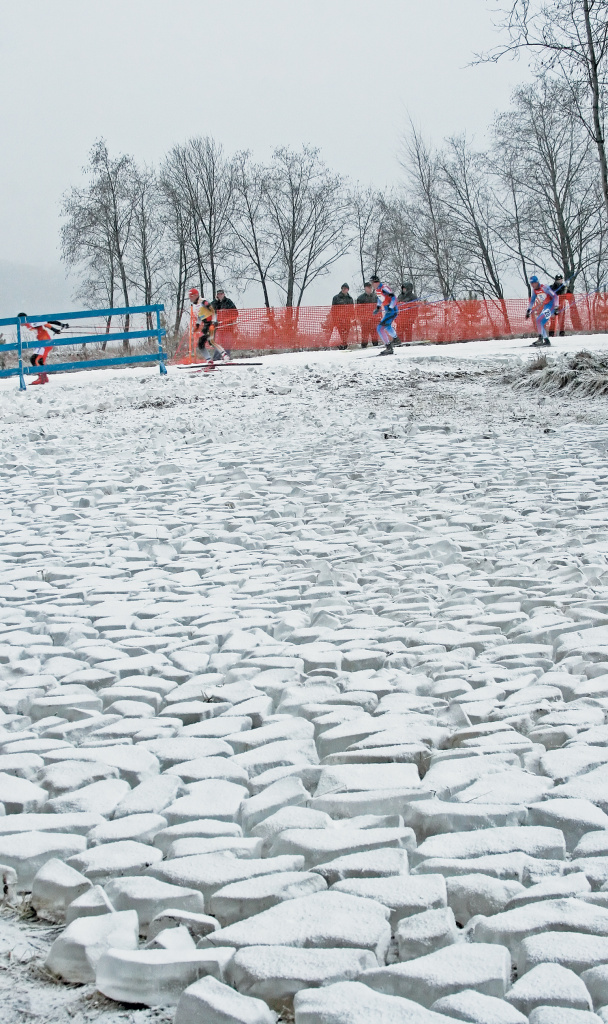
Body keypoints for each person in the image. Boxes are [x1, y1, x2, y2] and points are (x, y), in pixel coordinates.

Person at [18, 315, 69, 385]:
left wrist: (55, 329)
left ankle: (41, 378)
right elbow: (45, 323)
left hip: (45, 343)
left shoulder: (32, 322)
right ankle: (44, 378)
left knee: (35, 359)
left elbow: (46, 323)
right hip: (42, 343)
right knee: (40, 360)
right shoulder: (29, 324)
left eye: (19, 320)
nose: (19, 323)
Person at [188, 288, 229, 362]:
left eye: (191, 296)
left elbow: (213, 310)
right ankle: (209, 360)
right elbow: (200, 315)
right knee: (201, 344)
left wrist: (214, 321)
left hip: (210, 323)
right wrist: (197, 325)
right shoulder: (196, 305)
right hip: (205, 325)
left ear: (196, 295)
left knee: (211, 340)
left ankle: (225, 356)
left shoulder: (203, 301)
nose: (190, 298)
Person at [525, 276, 558, 347]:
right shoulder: (535, 291)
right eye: (531, 283)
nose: (533, 285)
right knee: (540, 322)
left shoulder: (544, 287)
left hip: (551, 306)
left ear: (537, 282)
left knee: (539, 320)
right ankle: (546, 341)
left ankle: (540, 339)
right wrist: (528, 310)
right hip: (546, 306)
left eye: (534, 283)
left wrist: (556, 307)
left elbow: (555, 296)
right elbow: (532, 301)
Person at [370, 275, 399, 354]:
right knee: (387, 326)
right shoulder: (377, 290)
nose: (372, 285)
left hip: (391, 311)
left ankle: (389, 348)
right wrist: (378, 308)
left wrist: (391, 307)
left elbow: (394, 298)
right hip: (388, 311)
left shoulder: (384, 288)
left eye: (372, 283)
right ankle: (396, 339)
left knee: (380, 328)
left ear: (376, 282)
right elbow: (380, 299)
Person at [212, 289, 238, 356]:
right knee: (217, 343)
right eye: (218, 294)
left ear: (224, 294)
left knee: (227, 343)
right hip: (218, 327)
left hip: (228, 327)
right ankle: (216, 358)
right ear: (217, 295)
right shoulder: (214, 303)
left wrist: (229, 317)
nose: (220, 295)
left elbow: (235, 312)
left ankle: (227, 356)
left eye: (221, 294)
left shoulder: (228, 302)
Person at [328, 283, 355, 349]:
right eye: (342, 288)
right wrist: (334, 319)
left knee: (346, 333)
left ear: (347, 289)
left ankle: (344, 345)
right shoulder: (336, 298)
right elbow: (333, 309)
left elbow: (352, 309)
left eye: (345, 288)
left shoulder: (350, 299)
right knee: (341, 332)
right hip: (339, 319)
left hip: (347, 319)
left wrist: (352, 317)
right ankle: (341, 345)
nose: (343, 289)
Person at [356, 282, 378, 348]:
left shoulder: (375, 297)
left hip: (373, 320)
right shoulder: (361, 298)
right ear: (365, 288)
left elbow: (378, 308)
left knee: (374, 336)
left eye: (370, 287)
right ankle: (363, 348)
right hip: (365, 321)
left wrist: (378, 318)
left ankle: (376, 348)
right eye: (368, 287)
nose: (369, 289)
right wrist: (361, 319)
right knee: (365, 337)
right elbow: (358, 310)